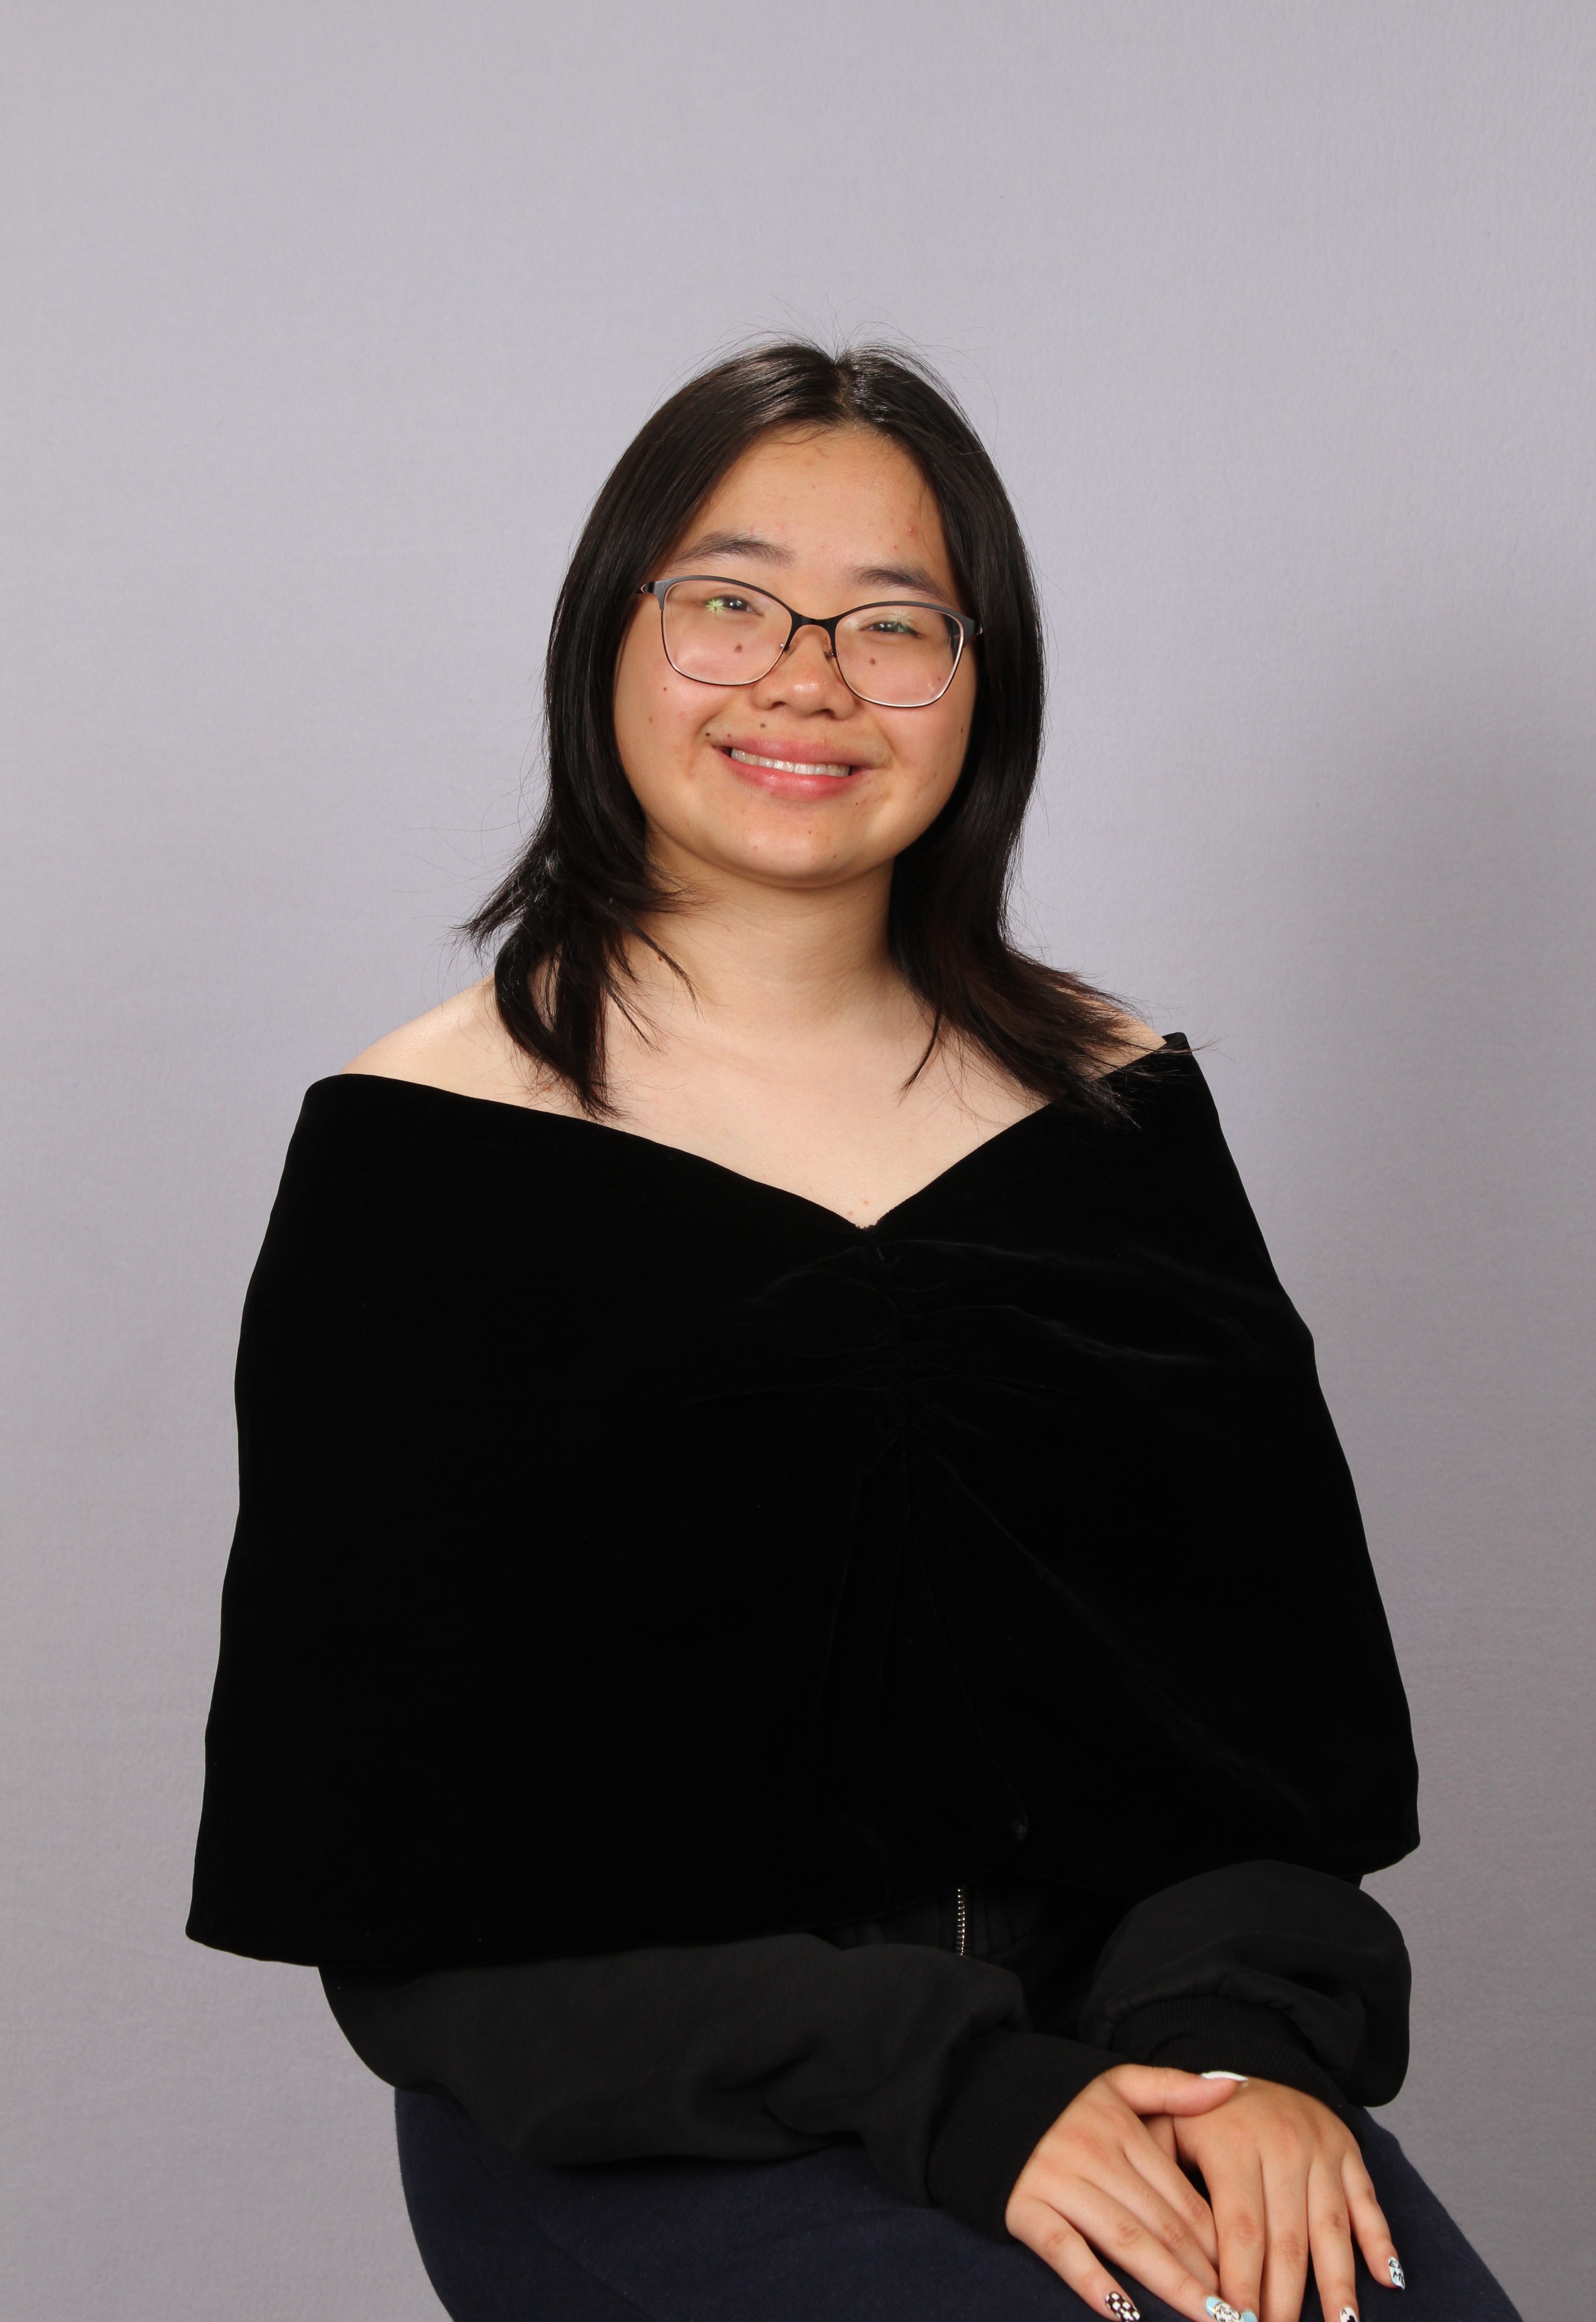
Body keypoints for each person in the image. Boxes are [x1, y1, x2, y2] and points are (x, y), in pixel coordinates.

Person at [187, 343, 1521, 2322]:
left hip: (1138, 2047)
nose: (806, 679)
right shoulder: (425, 1160)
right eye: (730, 604)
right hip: (665, 2114)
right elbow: (407, 1905)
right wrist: (961, 2094)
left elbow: (1262, 1737)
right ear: (610, 639)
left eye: (895, 624)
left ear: (983, 686)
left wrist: (1248, 2047)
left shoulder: (1114, 1119)